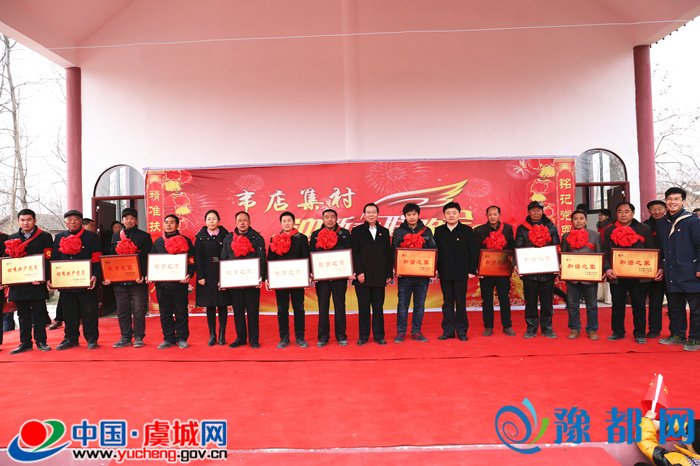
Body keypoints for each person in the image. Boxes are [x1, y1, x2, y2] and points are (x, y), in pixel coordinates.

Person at [603, 202, 659, 344]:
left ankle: (640, 333)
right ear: (616, 214)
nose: (623, 214)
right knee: (617, 304)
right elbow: (606, 252)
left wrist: (653, 269)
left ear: (633, 213)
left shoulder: (644, 228)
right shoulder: (609, 230)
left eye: (627, 211)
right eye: (620, 211)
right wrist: (607, 268)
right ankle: (618, 332)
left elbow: (651, 250)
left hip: (639, 275)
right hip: (616, 274)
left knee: (639, 305)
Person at [50, 209, 103, 350]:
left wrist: (95, 275)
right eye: (69, 219)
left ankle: (91, 339)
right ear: (65, 222)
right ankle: (71, 339)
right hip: (66, 282)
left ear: (81, 222)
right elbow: (54, 258)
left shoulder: (91, 237)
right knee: (69, 313)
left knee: (89, 312)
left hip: (86, 282)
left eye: (76, 219)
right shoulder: (59, 237)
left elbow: (97, 258)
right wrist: (52, 278)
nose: (72, 222)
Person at [2, 209, 53, 354]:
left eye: (29, 220)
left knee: (39, 313)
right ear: (18, 221)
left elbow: (48, 259)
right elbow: (8, 262)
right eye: (22, 220)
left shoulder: (44, 236)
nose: (26, 223)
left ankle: (41, 341)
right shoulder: (11, 238)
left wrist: (44, 277)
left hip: (37, 283)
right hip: (19, 284)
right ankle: (25, 342)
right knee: (22, 314)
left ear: (34, 221)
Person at [656, 187, 700, 352]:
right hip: (671, 272)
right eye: (669, 199)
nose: (672, 202)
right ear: (665, 201)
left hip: (691, 271)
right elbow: (661, 248)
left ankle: (695, 338)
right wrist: (661, 267)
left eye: (676, 199)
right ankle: (677, 334)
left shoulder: (693, 222)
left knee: (696, 309)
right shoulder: (662, 223)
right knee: (674, 306)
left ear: (683, 201)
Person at [108, 208, 153, 348]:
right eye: (126, 218)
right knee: (122, 310)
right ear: (122, 220)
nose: (129, 221)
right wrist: (110, 276)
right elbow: (111, 257)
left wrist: (145, 275)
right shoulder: (116, 236)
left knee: (139, 310)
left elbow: (148, 258)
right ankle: (125, 337)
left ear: (136, 220)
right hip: (120, 280)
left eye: (132, 218)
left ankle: (139, 337)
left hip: (138, 280)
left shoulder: (144, 236)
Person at [392, 203, 437, 343]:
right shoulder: (399, 232)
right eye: (409, 214)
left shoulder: (427, 231)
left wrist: (432, 269)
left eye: (414, 214)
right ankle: (401, 332)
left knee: (419, 304)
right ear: (405, 216)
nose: (411, 217)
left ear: (418, 215)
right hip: (405, 276)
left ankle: (416, 331)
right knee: (402, 305)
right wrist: (395, 267)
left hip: (422, 275)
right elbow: (394, 252)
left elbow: (433, 251)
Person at [221, 211, 267, 349]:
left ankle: (254, 339)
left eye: (245, 220)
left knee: (252, 311)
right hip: (235, 282)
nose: (242, 223)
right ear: (235, 222)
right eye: (239, 220)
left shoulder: (257, 238)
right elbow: (224, 259)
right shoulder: (228, 239)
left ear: (250, 222)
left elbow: (261, 259)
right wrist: (223, 278)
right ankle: (240, 338)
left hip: (251, 282)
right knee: (238, 311)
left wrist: (261, 277)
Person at [515, 201, 560, 339]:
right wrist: (517, 264)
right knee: (530, 302)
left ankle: (547, 328)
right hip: (530, 272)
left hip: (547, 271)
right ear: (528, 212)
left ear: (542, 211)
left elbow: (556, 245)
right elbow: (518, 247)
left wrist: (557, 263)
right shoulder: (522, 228)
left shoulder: (550, 226)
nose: (536, 212)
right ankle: (531, 328)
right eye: (533, 210)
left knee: (547, 302)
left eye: (538, 210)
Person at [434, 202, 478, 341]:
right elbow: (435, 252)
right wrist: (435, 270)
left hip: (461, 273)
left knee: (460, 302)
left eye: (454, 213)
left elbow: (473, 251)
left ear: (459, 214)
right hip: (445, 272)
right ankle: (448, 331)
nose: (451, 215)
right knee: (447, 302)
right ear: (444, 215)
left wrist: (471, 270)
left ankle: (462, 331)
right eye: (448, 213)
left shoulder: (467, 230)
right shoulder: (439, 231)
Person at [150, 214, 195, 349]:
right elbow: (152, 260)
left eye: (171, 222)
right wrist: (151, 274)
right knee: (165, 313)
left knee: (181, 312)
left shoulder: (185, 240)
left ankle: (181, 338)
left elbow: (191, 260)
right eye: (166, 222)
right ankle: (168, 338)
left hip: (179, 284)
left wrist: (189, 274)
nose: (168, 225)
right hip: (162, 284)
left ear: (177, 225)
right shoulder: (158, 242)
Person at [350, 203, 393, 345]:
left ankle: (379, 335)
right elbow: (355, 253)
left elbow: (388, 254)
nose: (371, 214)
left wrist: (388, 274)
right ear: (364, 214)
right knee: (363, 308)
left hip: (379, 275)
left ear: (378, 214)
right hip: (363, 276)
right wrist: (359, 272)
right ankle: (363, 336)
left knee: (378, 308)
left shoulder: (384, 231)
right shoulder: (357, 231)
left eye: (374, 212)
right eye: (368, 212)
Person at [309, 209, 351, 347]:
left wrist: (350, 270)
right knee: (323, 306)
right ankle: (323, 336)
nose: (330, 219)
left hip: (339, 277)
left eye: (332, 217)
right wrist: (312, 272)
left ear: (336, 218)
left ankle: (341, 335)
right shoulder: (315, 235)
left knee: (340, 305)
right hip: (322, 278)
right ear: (323, 219)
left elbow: (350, 253)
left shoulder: (344, 233)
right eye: (326, 217)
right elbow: (311, 254)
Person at [268, 211, 310, 348]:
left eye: (289, 220)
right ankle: (284, 338)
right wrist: (270, 277)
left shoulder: (302, 238)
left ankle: (300, 337)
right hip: (281, 281)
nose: (287, 223)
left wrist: (307, 275)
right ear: (281, 223)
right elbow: (271, 260)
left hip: (297, 280)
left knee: (299, 308)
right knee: (282, 309)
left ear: (293, 222)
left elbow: (306, 257)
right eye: (284, 221)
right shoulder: (274, 239)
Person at [474, 205, 516, 336]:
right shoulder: (479, 230)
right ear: (486, 216)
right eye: (490, 214)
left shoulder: (507, 229)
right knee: (487, 300)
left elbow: (512, 248)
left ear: (499, 215)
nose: (492, 217)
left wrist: (512, 265)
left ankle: (507, 326)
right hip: (486, 271)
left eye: (495, 214)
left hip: (502, 270)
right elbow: (476, 251)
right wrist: (478, 269)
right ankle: (488, 327)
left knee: (504, 298)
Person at [560, 210, 602, 340]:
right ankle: (574, 328)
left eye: (581, 218)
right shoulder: (566, 236)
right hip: (572, 276)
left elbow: (600, 255)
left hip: (589, 276)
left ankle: (592, 329)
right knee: (572, 304)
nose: (578, 221)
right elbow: (563, 254)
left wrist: (600, 272)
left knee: (592, 305)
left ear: (586, 220)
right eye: (575, 219)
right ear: (572, 221)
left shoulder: (595, 236)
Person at [194, 210, 229, 346]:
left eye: (214, 218)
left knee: (222, 304)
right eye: (209, 219)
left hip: (222, 272)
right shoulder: (200, 237)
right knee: (210, 305)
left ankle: (222, 334)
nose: (211, 221)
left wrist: (226, 275)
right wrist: (201, 276)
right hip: (207, 274)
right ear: (205, 221)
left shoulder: (226, 236)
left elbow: (229, 256)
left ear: (219, 220)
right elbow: (198, 258)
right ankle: (212, 334)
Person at [644, 199, 668, 339]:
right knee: (655, 301)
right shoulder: (645, 226)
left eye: (660, 208)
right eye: (653, 209)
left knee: (675, 302)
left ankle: (677, 331)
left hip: (671, 269)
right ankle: (654, 329)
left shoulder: (671, 223)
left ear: (665, 209)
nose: (657, 212)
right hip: (653, 269)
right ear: (649, 211)